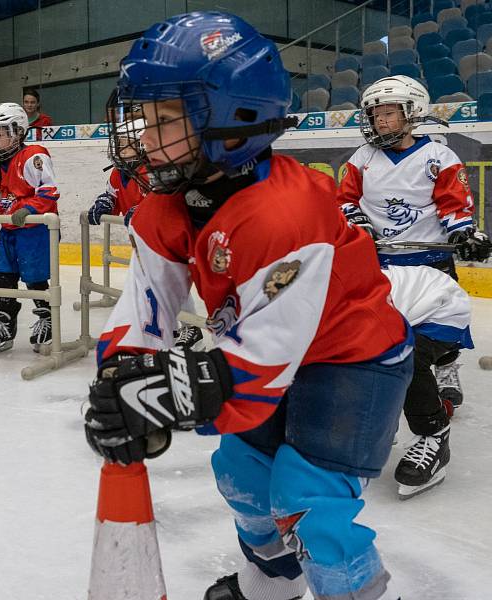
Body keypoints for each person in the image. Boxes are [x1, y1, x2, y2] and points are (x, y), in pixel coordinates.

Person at [83, 12, 413, 600]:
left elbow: (257, 370)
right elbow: (147, 307)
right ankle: (269, 584)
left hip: (354, 359)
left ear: (234, 123)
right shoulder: (169, 202)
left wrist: (158, 397)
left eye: (166, 119)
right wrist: (120, 376)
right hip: (276, 352)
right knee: (240, 473)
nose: (143, 136)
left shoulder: (287, 215)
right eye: (144, 117)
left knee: (306, 500)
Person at [336, 75, 491, 410]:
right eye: (376, 114)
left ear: (413, 113)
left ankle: (448, 365)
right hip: (381, 260)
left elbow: (454, 204)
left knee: (439, 326)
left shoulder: (438, 156)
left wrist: (463, 233)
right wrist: (356, 222)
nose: (380, 120)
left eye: (389, 113)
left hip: (430, 259)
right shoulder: (362, 157)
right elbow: (344, 200)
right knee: (381, 323)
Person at [88, 116, 204, 349]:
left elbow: (163, 200)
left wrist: (142, 210)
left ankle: (192, 329)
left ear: (141, 144)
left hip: (166, 243)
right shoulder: (118, 172)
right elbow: (113, 195)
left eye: (124, 143)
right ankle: (167, 325)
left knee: (169, 281)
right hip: (143, 243)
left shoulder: (155, 170)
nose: (118, 148)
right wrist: (105, 203)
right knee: (152, 286)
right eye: (118, 143)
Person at [0, 102, 59, 354]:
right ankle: (6, 323)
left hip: (36, 230)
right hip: (9, 230)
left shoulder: (34, 155)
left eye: (0, 135)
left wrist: (30, 209)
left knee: (35, 278)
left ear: (18, 132)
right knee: (3, 275)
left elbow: (48, 191)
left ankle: (46, 319)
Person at [382, 264, 473, 500]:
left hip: (441, 307)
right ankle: (381, 424)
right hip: (406, 300)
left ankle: (434, 434)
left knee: (403, 357)